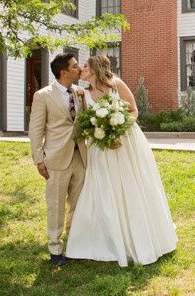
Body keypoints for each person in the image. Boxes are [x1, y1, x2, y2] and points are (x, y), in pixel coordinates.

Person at [65, 55, 177, 267]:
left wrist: (118, 130)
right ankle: (105, 239)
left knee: (131, 186)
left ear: (95, 68)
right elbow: (89, 122)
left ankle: (138, 237)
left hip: (127, 144)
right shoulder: (84, 95)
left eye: (85, 66)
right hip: (102, 148)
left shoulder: (116, 85)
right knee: (103, 189)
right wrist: (102, 135)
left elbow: (134, 110)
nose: (81, 69)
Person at [28, 52, 87, 267]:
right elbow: (35, 129)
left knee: (78, 203)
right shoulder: (43, 95)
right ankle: (55, 248)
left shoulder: (79, 93)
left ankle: (74, 244)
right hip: (55, 158)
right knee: (55, 205)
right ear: (63, 72)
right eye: (74, 66)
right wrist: (39, 159)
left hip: (80, 156)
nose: (79, 68)